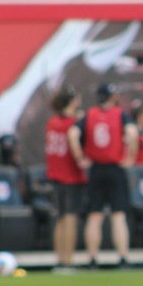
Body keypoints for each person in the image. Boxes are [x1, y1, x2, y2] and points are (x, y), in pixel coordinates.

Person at [73, 83, 137, 269]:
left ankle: (92, 259)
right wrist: (130, 157)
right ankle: (123, 258)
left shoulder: (90, 114)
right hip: (115, 168)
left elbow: (73, 133)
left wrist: (80, 158)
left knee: (94, 216)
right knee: (118, 216)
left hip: (96, 169)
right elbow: (132, 133)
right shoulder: (119, 114)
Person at [44, 85, 87, 273]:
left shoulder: (52, 122)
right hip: (71, 176)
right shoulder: (73, 124)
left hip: (55, 175)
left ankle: (60, 259)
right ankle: (68, 261)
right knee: (70, 218)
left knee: (60, 218)